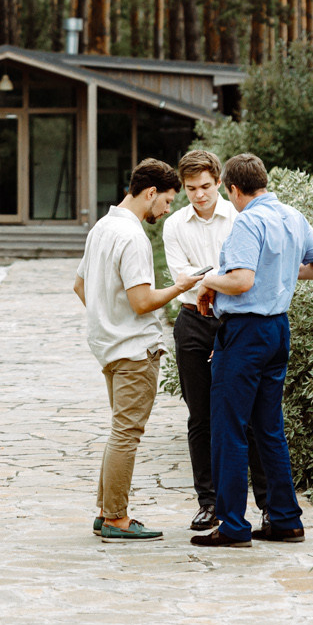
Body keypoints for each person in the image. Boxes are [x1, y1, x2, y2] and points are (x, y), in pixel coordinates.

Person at [189, 152, 313, 549]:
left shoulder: (247, 221)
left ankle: (234, 526)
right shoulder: (292, 216)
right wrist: (286, 274)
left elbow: (240, 281)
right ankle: (287, 520)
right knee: (269, 426)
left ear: (233, 189)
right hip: (278, 330)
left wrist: (209, 279)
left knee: (229, 428)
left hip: (244, 334)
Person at [73, 158, 200, 542]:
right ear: (150, 193)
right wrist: (181, 286)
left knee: (119, 432)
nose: (167, 210)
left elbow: (80, 287)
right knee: (127, 434)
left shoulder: (101, 227)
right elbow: (143, 302)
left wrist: (107, 319)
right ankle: (116, 518)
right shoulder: (132, 236)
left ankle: (105, 511)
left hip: (109, 348)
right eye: (167, 201)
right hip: (133, 351)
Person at [162, 147, 239, 533]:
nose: (200, 195)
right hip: (192, 321)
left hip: (232, 321)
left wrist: (206, 277)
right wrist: (217, 277)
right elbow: (182, 278)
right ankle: (207, 502)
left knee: (240, 415)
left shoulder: (238, 218)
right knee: (200, 416)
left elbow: (242, 273)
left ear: (219, 182)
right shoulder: (175, 225)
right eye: (191, 188)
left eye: (206, 186)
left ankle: (242, 502)